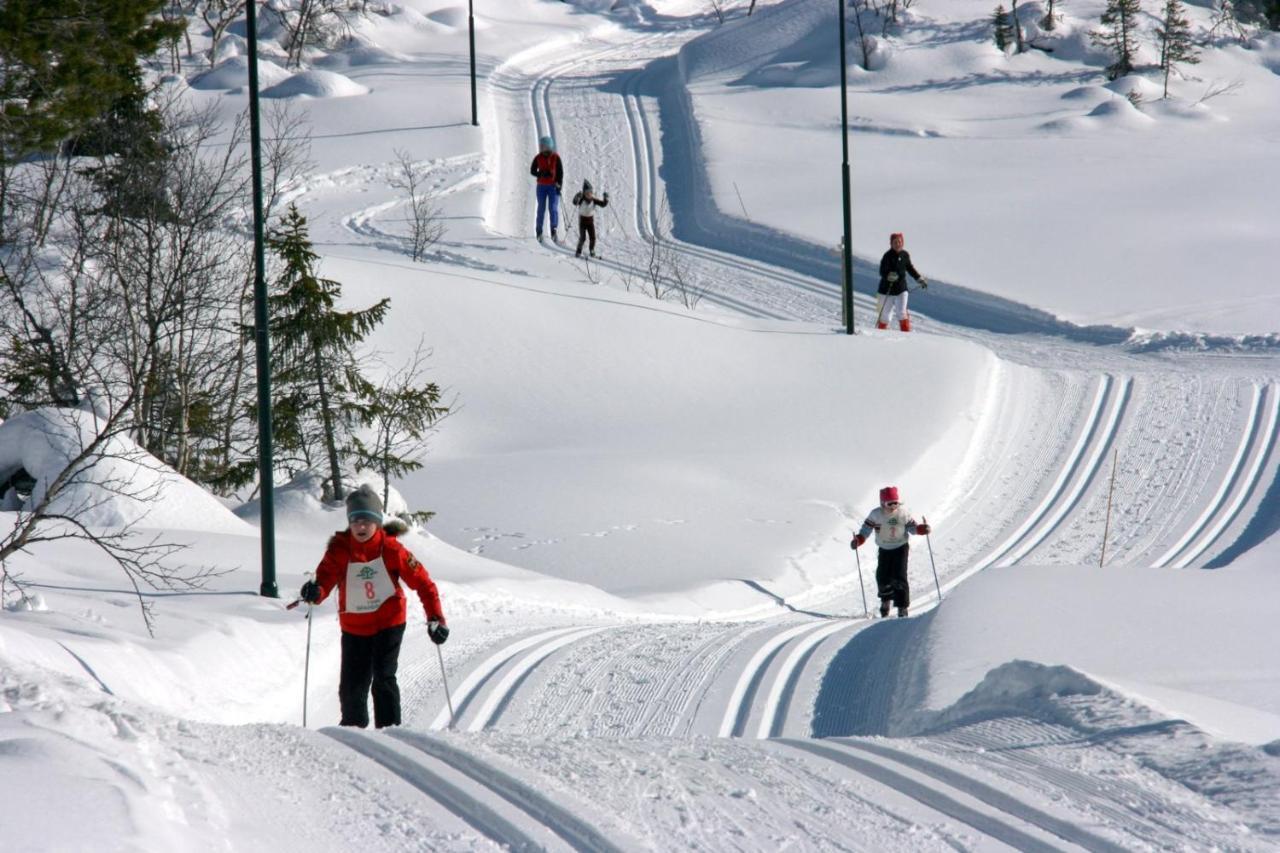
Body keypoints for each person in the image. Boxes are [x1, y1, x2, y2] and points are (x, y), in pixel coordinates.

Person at [299, 484, 449, 728]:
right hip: (354, 627)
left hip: (388, 622)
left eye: (366, 521)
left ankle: (391, 733)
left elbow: (423, 583)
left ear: (377, 522)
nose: (360, 527)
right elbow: (324, 579)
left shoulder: (392, 549)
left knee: (383, 678)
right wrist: (315, 592)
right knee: (352, 686)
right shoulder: (340, 550)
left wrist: (436, 618)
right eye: (355, 520)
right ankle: (354, 733)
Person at [850, 486, 931, 618]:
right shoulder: (876, 514)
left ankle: (902, 607)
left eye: (896, 503)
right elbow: (865, 530)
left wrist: (923, 529)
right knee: (882, 576)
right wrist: (858, 540)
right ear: (882, 503)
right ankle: (885, 601)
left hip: (901, 547)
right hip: (884, 549)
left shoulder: (903, 514)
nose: (894, 506)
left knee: (899, 576)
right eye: (890, 503)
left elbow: (913, 528)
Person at [877, 232, 928, 332]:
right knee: (885, 317)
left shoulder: (905, 255)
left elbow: (910, 268)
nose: (898, 244)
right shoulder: (887, 256)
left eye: (900, 241)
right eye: (895, 242)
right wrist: (888, 276)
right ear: (891, 243)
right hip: (886, 290)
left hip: (901, 289)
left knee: (902, 312)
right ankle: (880, 334)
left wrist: (919, 279)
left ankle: (906, 335)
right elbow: (882, 271)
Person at [529, 135, 564, 242]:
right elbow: (532, 170)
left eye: (543, 146)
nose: (541, 148)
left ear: (549, 146)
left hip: (553, 187)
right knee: (541, 208)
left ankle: (553, 230)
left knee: (553, 208)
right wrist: (541, 173)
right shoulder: (538, 157)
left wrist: (559, 185)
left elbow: (560, 172)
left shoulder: (556, 157)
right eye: (541, 146)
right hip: (541, 187)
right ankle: (539, 230)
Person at [571, 180, 609, 257]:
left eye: (591, 193)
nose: (589, 194)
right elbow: (574, 202)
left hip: (590, 222)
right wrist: (577, 196)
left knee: (593, 237)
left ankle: (591, 250)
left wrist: (606, 198)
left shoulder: (593, 200)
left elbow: (603, 204)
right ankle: (578, 251)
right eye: (587, 193)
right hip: (582, 221)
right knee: (583, 238)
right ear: (584, 193)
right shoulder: (581, 200)